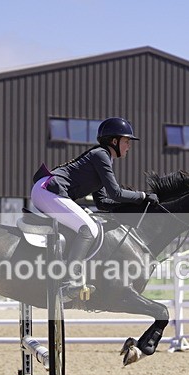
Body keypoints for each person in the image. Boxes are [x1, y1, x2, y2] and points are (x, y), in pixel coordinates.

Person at [31, 117, 158, 300]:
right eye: (126, 141)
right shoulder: (101, 155)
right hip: (49, 190)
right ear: (114, 141)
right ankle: (69, 283)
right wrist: (142, 196)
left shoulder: (102, 157)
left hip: (48, 190)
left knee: (89, 222)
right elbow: (115, 193)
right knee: (88, 228)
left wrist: (133, 205)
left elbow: (103, 202)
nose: (129, 145)